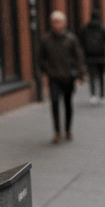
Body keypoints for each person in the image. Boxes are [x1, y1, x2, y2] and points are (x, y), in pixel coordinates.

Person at [37, 10, 85, 143]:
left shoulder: (71, 38)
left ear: (64, 23)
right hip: (53, 77)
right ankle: (57, 132)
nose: (56, 25)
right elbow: (41, 58)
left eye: (58, 22)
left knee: (68, 104)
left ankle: (68, 130)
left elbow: (78, 56)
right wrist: (45, 71)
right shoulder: (46, 39)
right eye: (54, 22)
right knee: (54, 103)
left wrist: (80, 74)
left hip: (68, 77)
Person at [78, 11, 105, 105]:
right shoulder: (102, 28)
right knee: (101, 77)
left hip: (89, 57)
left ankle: (93, 96)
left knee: (92, 77)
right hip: (101, 57)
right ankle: (102, 96)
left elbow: (79, 42)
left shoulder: (85, 28)